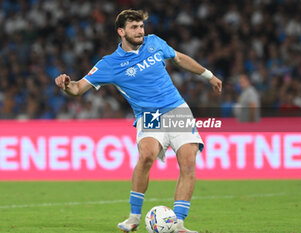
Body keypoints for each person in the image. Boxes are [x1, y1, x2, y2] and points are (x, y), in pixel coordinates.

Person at [55, 9, 222, 233]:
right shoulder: (109, 64)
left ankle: (179, 224)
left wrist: (208, 76)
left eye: (142, 26)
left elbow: (179, 58)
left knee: (188, 162)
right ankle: (134, 218)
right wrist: (66, 84)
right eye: (134, 27)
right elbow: (77, 89)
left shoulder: (154, 43)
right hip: (149, 116)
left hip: (177, 110)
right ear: (121, 32)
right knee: (146, 157)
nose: (140, 31)